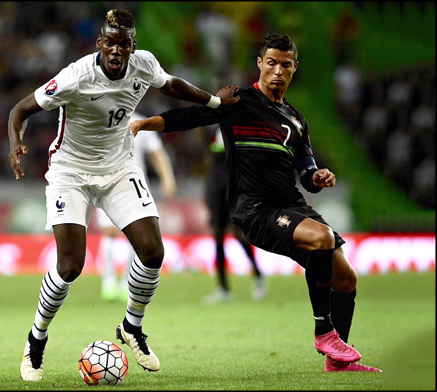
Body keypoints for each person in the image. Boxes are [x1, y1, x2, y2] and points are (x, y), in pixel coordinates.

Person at [130, 33, 382, 373]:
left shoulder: (295, 120)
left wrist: (318, 177)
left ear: (295, 69)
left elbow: (306, 172)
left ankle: (338, 362)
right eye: (272, 63)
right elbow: (189, 118)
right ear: (260, 64)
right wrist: (146, 124)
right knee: (322, 238)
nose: (278, 70)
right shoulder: (239, 102)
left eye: (286, 65)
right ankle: (324, 331)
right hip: (256, 210)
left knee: (347, 278)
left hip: (292, 206)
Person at [8, 9, 237, 381]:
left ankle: (131, 327)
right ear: (100, 43)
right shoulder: (75, 76)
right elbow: (21, 109)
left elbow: (173, 84)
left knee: (153, 251)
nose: (117, 50)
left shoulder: (143, 65)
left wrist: (213, 103)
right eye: (110, 42)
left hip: (118, 169)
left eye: (124, 44)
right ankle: (36, 341)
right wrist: (15, 143)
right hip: (71, 172)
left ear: (133, 46)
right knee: (70, 266)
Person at [97, 111, 177, 302]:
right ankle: (108, 280)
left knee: (136, 235)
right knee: (109, 231)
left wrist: (167, 178)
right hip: (104, 183)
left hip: (134, 187)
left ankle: (126, 281)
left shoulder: (140, 122)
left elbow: (156, 153)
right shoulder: (100, 117)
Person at [202, 127, 266, 304]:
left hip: (234, 184)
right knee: (218, 235)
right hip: (216, 185)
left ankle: (257, 274)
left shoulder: (239, 128)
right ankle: (223, 288)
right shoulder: (211, 129)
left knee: (238, 232)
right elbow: (209, 160)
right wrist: (208, 193)